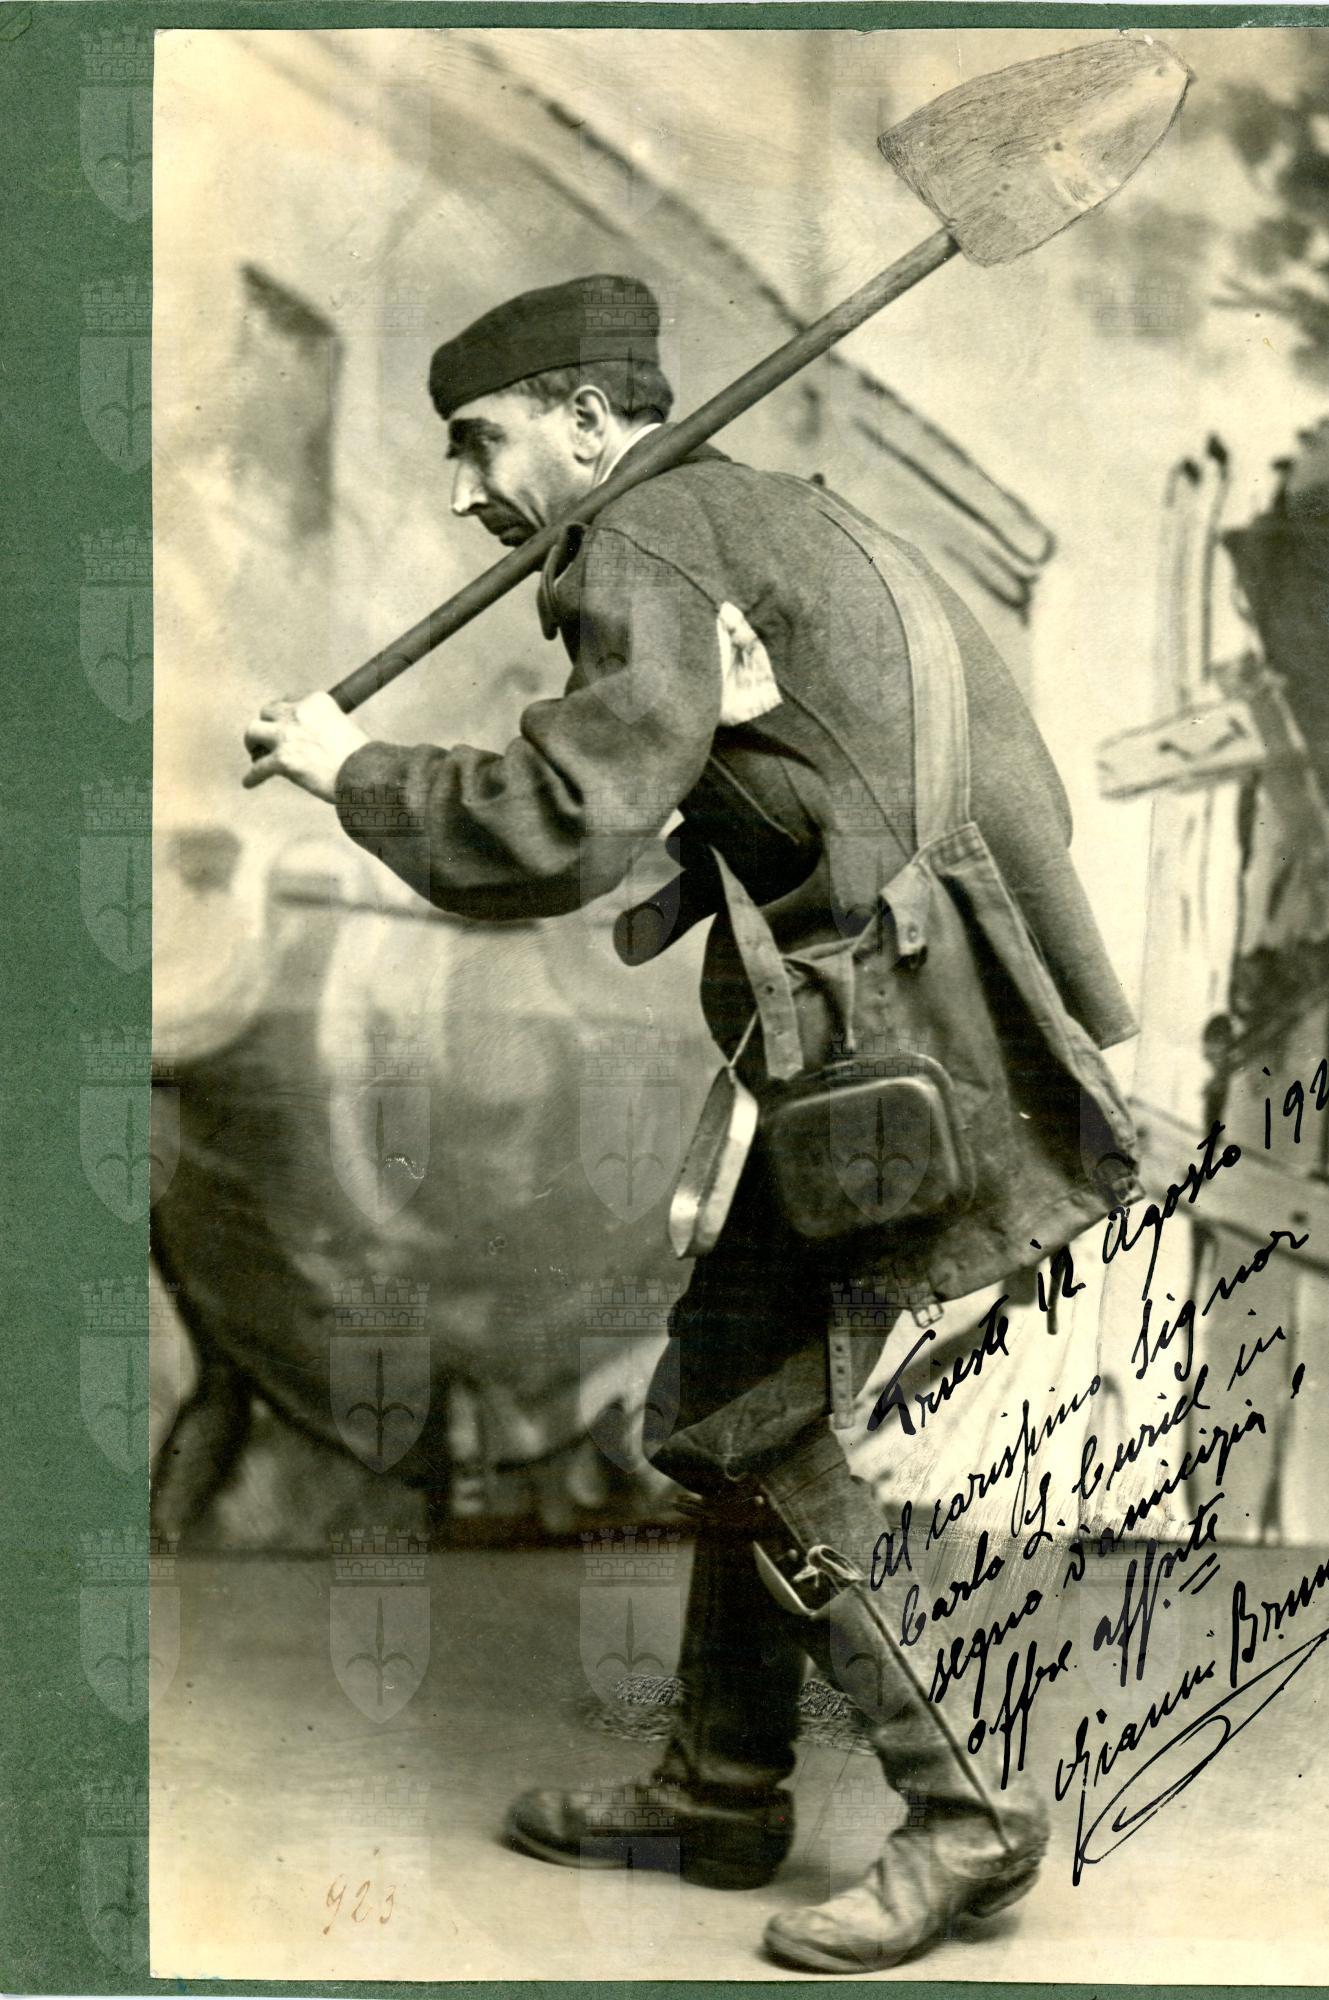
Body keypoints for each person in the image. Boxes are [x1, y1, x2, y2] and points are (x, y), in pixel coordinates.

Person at [244, 273, 1139, 1973]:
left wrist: (346, 767)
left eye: (481, 442)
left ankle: (963, 1816)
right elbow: (983, 796)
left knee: (743, 1425)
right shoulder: (798, 521)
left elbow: (553, 825)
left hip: (883, 1065)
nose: (464, 492)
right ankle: (722, 1791)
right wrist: (749, 777)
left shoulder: (644, 540)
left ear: (589, 422)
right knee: (735, 1394)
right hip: (964, 1039)